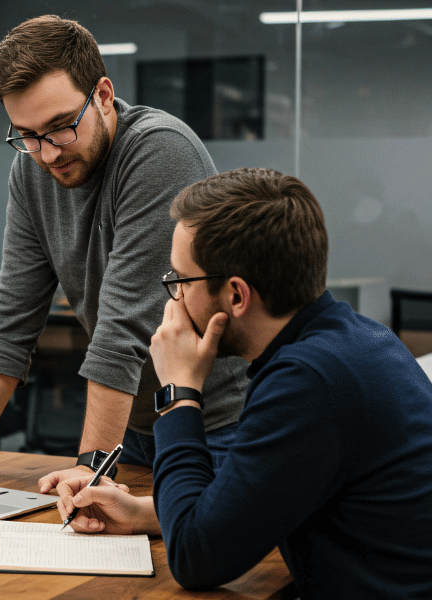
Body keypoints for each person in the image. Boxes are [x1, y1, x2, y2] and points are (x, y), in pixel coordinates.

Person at [55, 167, 432, 597]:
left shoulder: (307, 382)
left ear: (236, 295)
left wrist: (179, 393)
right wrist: (144, 513)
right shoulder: (356, 340)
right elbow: (252, 502)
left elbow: (196, 558)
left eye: (179, 280)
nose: (172, 298)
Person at [0, 15, 247, 487]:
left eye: (61, 126)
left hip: (220, 427)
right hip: (135, 424)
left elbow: (122, 326)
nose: (47, 153)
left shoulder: (158, 151)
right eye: (26, 134)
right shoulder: (31, 172)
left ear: (104, 96)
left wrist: (91, 471)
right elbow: (12, 311)